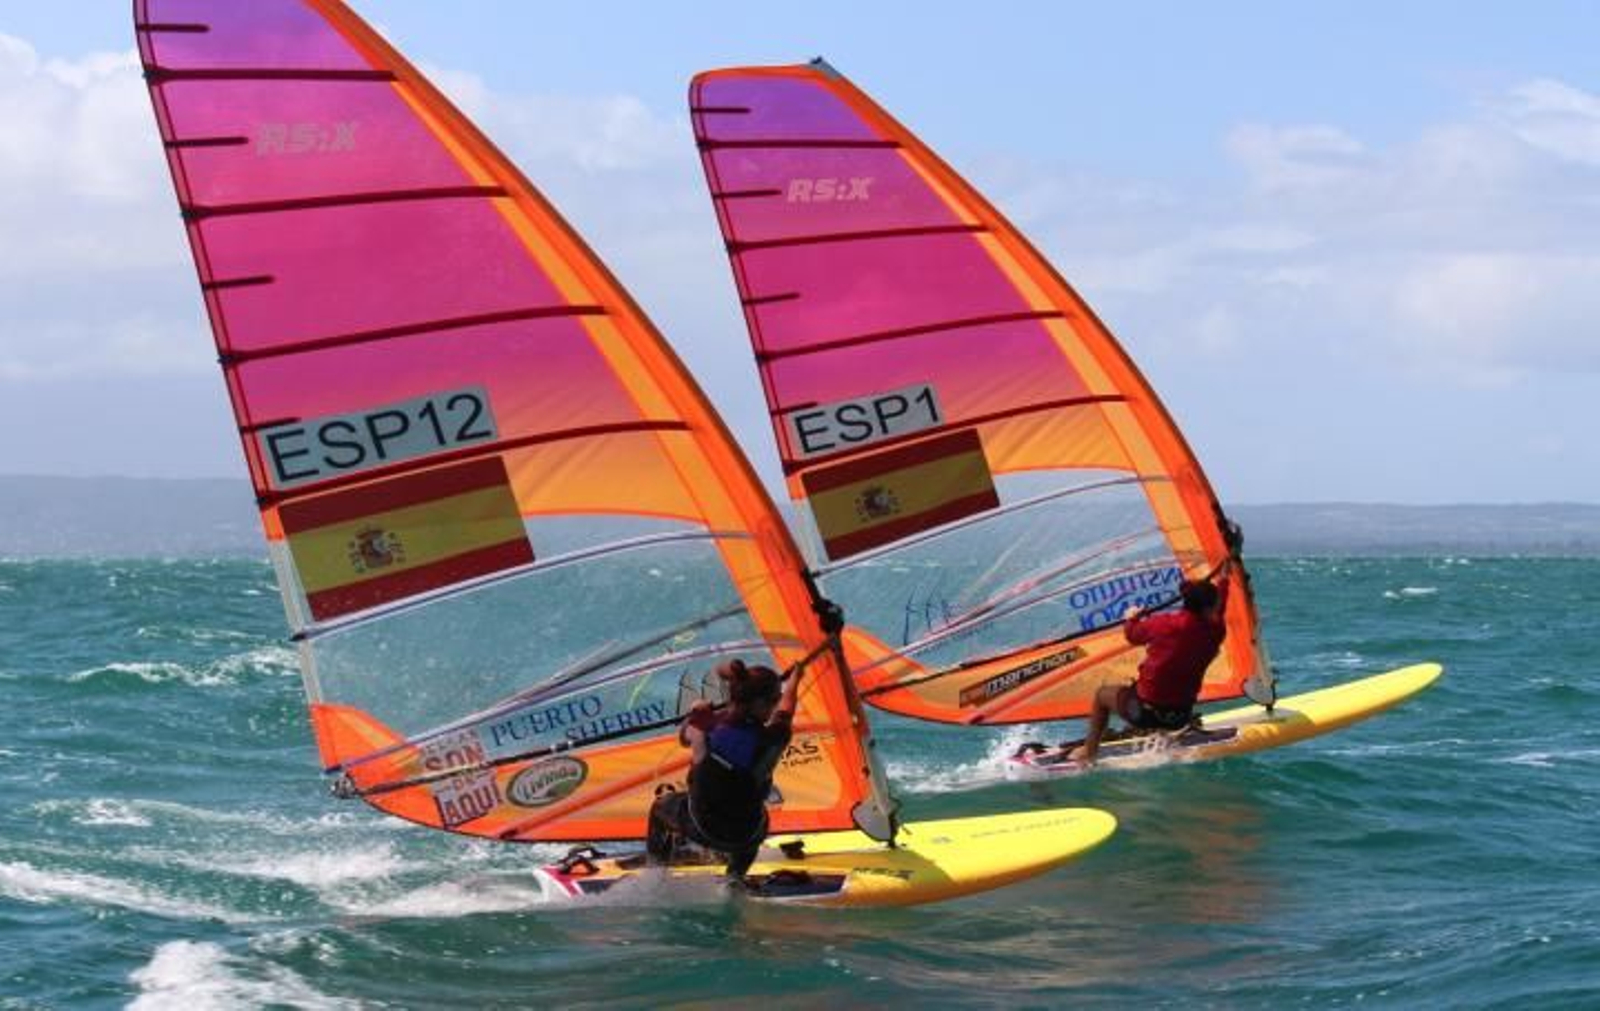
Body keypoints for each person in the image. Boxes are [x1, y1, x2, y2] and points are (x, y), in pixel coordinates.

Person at [646, 656, 800, 881]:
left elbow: (684, 737)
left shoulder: (709, 725)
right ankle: (734, 879)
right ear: (760, 704)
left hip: (703, 828)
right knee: (754, 815)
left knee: (660, 807)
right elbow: (786, 712)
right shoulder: (775, 737)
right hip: (747, 835)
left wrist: (696, 713)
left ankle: (654, 874)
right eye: (774, 699)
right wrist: (795, 680)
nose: (777, 703)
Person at [1067, 569, 1231, 764]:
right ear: (1209, 608)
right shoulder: (1216, 631)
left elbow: (1132, 635)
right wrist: (1225, 579)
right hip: (1180, 716)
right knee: (1168, 691)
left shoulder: (1163, 624)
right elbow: (1220, 609)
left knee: (1102, 695)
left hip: (1142, 714)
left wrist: (1132, 618)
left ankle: (1089, 752)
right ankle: (1165, 736)